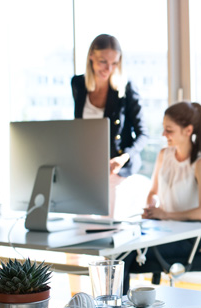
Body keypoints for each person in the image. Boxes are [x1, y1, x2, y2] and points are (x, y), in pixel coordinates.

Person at [121, 101, 201, 293]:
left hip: (188, 238)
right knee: (119, 247)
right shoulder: (164, 154)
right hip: (162, 231)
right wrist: (152, 207)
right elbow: (153, 192)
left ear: (188, 130)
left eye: (169, 130)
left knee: (124, 256)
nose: (164, 135)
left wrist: (165, 215)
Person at [71, 34, 148, 218]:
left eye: (114, 63)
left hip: (117, 167)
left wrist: (123, 158)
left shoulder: (126, 88)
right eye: (103, 61)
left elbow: (143, 134)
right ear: (91, 57)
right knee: (81, 224)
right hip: (88, 166)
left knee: (110, 225)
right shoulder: (79, 84)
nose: (109, 68)